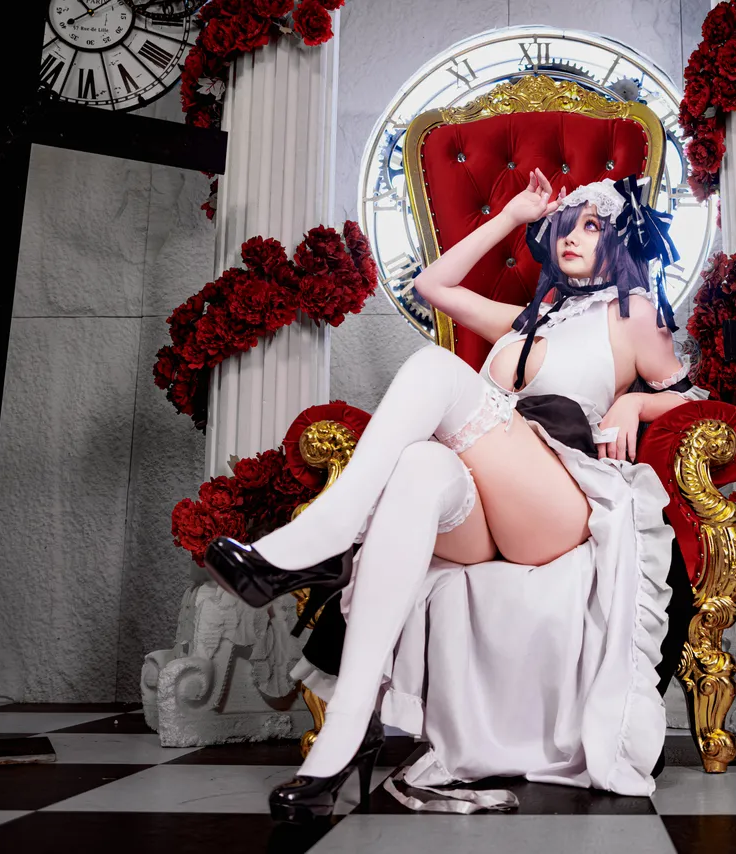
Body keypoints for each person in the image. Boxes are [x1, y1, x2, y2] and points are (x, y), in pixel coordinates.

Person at [204, 170, 707, 822]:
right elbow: (432, 287)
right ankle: (341, 743)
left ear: (619, 240)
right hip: (488, 506)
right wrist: (514, 213)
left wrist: (636, 402)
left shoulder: (631, 313)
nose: (572, 236)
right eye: (565, 224)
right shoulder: (526, 320)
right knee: (419, 465)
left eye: (591, 225)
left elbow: (690, 396)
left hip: (561, 502)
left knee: (436, 368)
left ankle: (325, 540)